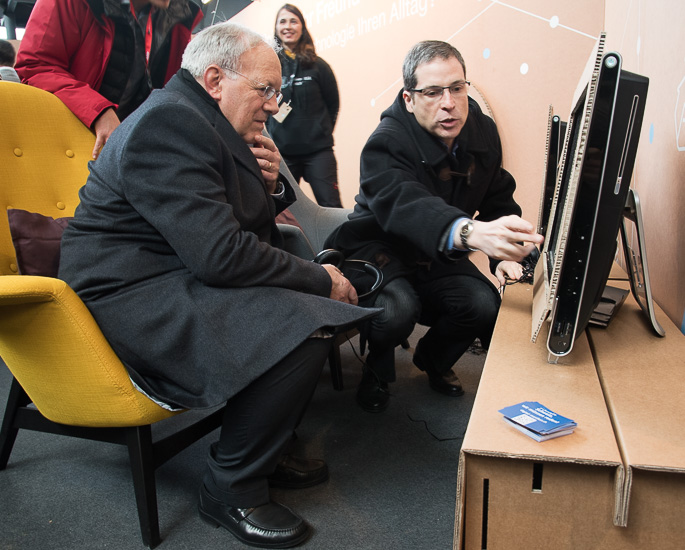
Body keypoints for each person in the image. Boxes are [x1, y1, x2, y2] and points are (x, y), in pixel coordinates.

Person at [58, 21, 377, 548]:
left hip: (170, 274)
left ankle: (262, 453)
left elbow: (222, 232)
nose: (274, 105)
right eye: (265, 90)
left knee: (303, 309)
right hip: (128, 297)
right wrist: (320, 278)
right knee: (306, 319)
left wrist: (268, 188)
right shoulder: (169, 125)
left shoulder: (197, 120)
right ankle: (230, 487)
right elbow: (220, 254)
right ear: (213, 79)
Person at [325, 40, 544, 413]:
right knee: (397, 309)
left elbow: (496, 196)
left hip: (436, 252)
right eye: (432, 92)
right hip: (380, 249)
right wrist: (470, 233)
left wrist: (506, 255)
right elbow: (406, 204)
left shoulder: (481, 132)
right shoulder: (385, 142)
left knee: (483, 304)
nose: (449, 103)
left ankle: (434, 359)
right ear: (409, 99)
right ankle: (377, 366)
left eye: (457, 88)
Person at [15, 0, 202, 159]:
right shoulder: (73, 3)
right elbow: (35, 66)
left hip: (133, 150)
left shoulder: (179, 18)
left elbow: (172, 92)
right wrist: (98, 111)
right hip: (69, 145)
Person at [266, 3, 343, 208]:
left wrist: (320, 131)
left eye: (293, 21)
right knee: (286, 212)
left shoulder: (319, 66)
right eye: (282, 21)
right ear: (276, 28)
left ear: (302, 27)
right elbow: (263, 104)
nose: (288, 26)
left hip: (318, 152)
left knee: (331, 207)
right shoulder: (270, 67)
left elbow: (333, 105)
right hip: (283, 154)